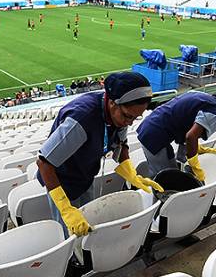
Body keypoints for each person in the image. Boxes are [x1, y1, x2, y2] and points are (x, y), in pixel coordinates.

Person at [36, 71, 163, 237]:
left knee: (90, 221)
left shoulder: (119, 114)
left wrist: (131, 173)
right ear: (112, 103)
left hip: (86, 173)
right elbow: (44, 163)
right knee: (72, 232)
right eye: (127, 116)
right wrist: (66, 208)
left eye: (135, 118)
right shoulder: (82, 119)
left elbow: (121, 143)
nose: (130, 122)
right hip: (62, 182)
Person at [136, 90, 216, 179]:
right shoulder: (214, 112)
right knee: (165, 179)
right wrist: (194, 164)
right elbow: (191, 136)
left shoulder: (206, 99)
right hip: (154, 136)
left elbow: (186, 129)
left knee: (171, 171)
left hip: (153, 129)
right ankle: (160, 205)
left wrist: (194, 148)